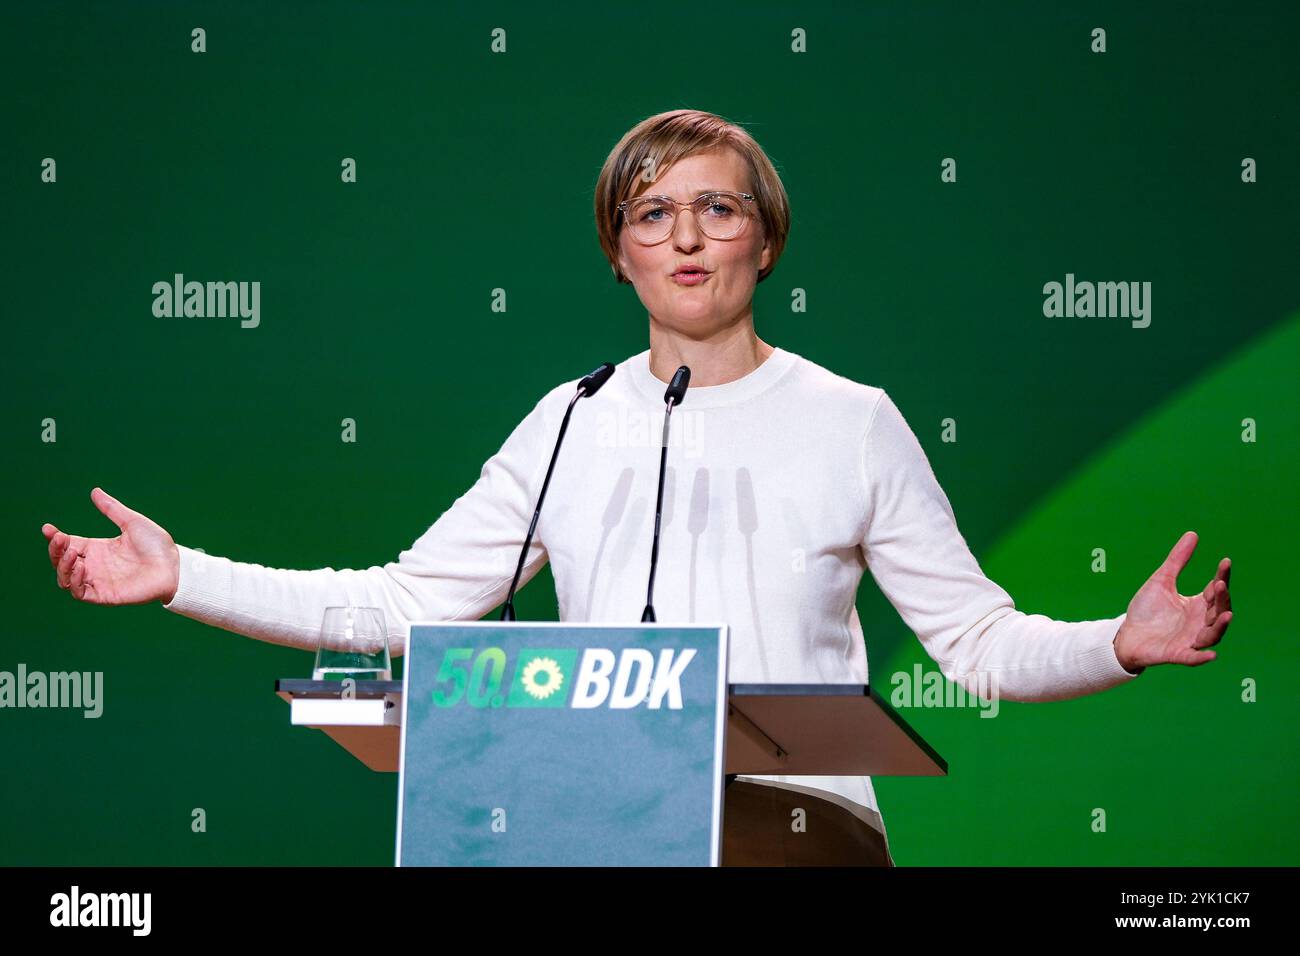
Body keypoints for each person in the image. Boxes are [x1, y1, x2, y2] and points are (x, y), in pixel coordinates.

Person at [42, 109, 1234, 866]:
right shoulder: (567, 422)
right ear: (618, 252)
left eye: (718, 208)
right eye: (652, 214)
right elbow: (407, 602)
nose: (686, 237)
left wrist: (1116, 642)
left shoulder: (852, 420)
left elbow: (976, 642)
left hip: (795, 827)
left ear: (765, 240)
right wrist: (182, 574)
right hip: (583, 827)